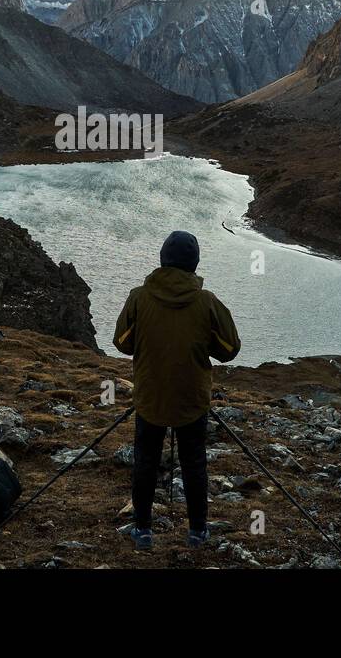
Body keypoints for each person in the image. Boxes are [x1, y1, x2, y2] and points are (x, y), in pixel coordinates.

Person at [113, 230, 241, 550]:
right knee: (194, 462)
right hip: (191, 400)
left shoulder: (139, 297)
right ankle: (197, 531)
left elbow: (122, 343)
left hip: (150, 398)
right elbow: (230, 349)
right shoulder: (206, 301)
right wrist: (199, 341)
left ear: (162, 259)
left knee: (145, 461)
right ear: (194, 264)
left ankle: (143, 529)